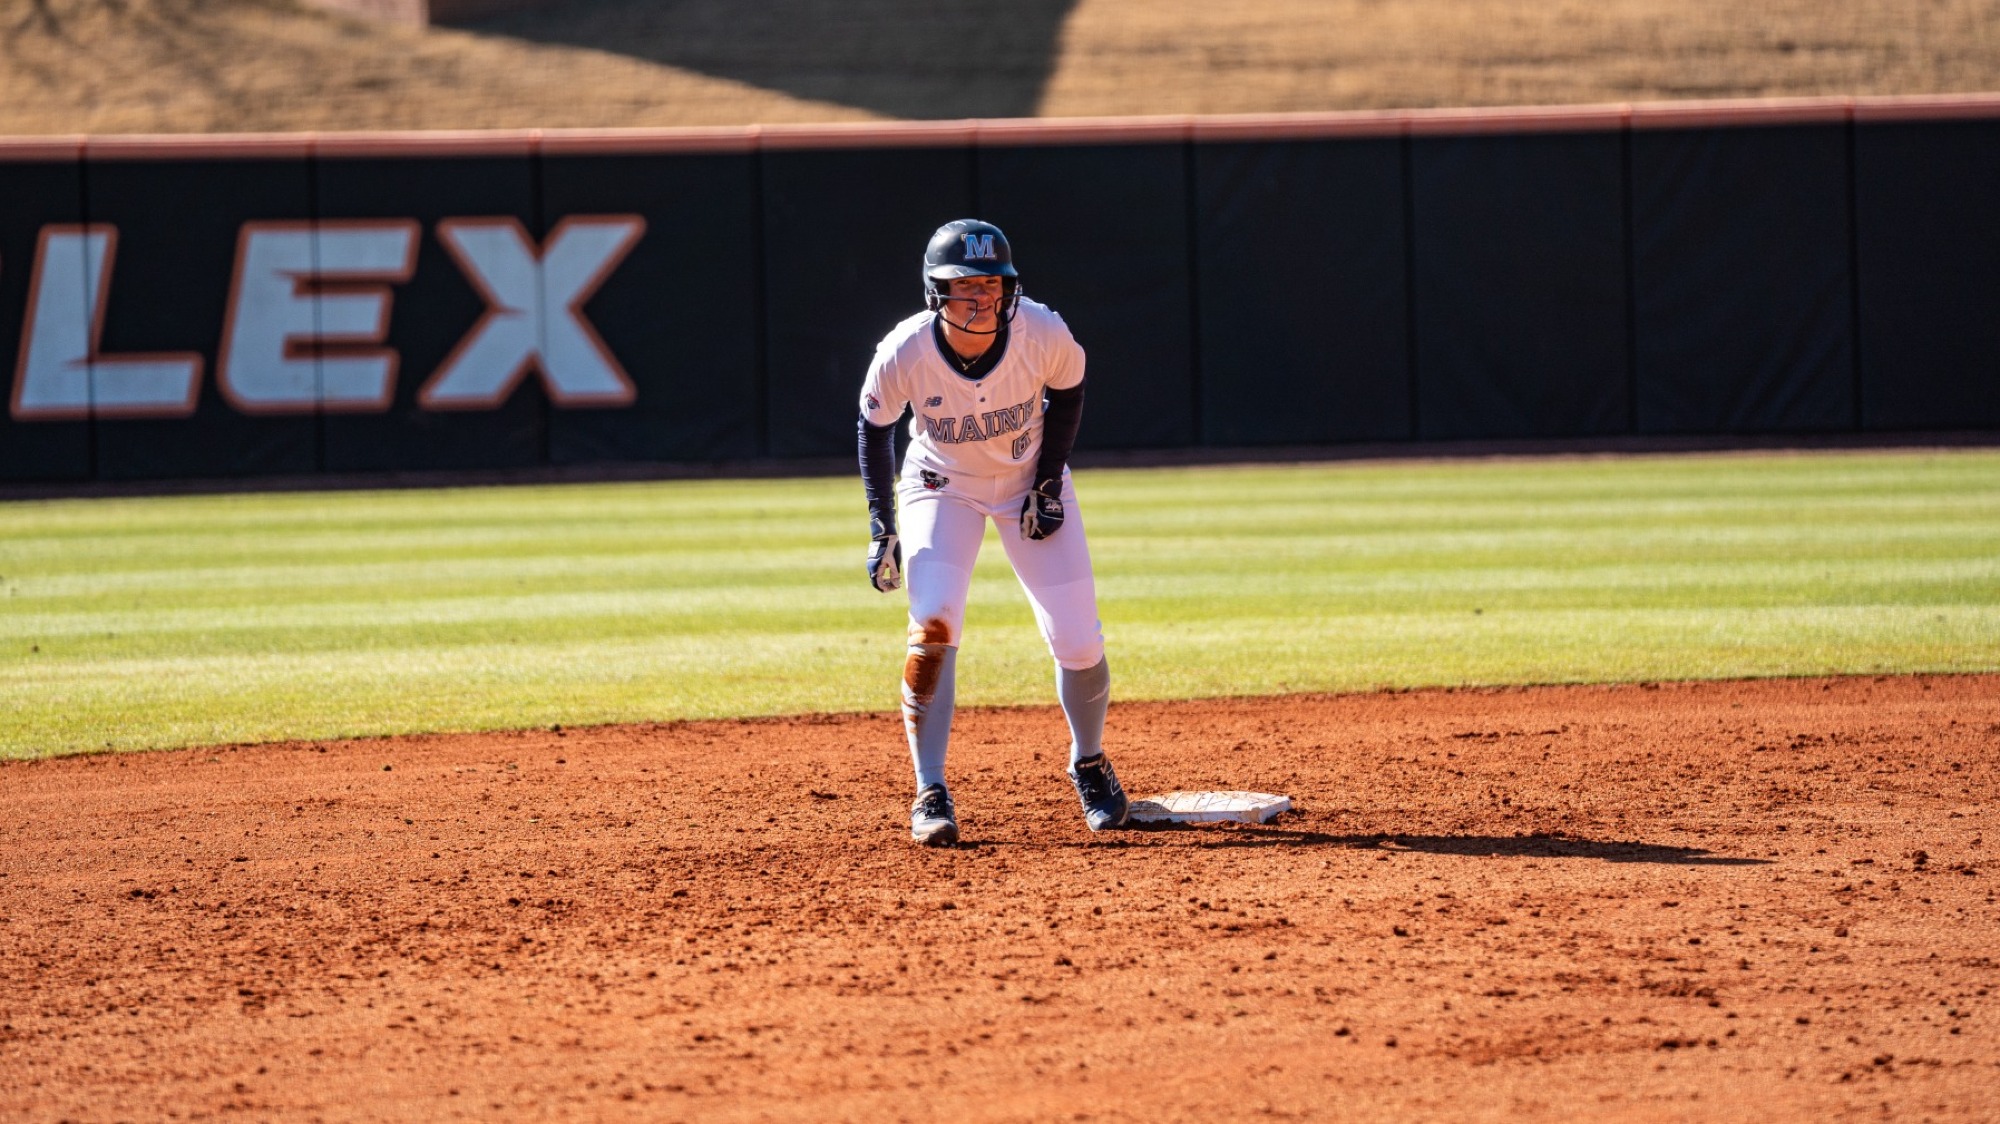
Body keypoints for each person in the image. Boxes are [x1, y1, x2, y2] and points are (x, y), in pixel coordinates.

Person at [857, 218, 1129, 846]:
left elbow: (1069, 393)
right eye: (964, 287)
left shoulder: (1041, 330)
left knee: (1078, 637)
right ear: (935, 294)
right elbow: (874, 428)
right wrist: (881, 523)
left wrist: (1048, 480)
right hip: (940, 485)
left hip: (1027, 479)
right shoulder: (905, 350)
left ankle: (1088, 761)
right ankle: (930, 789)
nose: (981, 299)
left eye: (992, 285)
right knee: (933, 622)